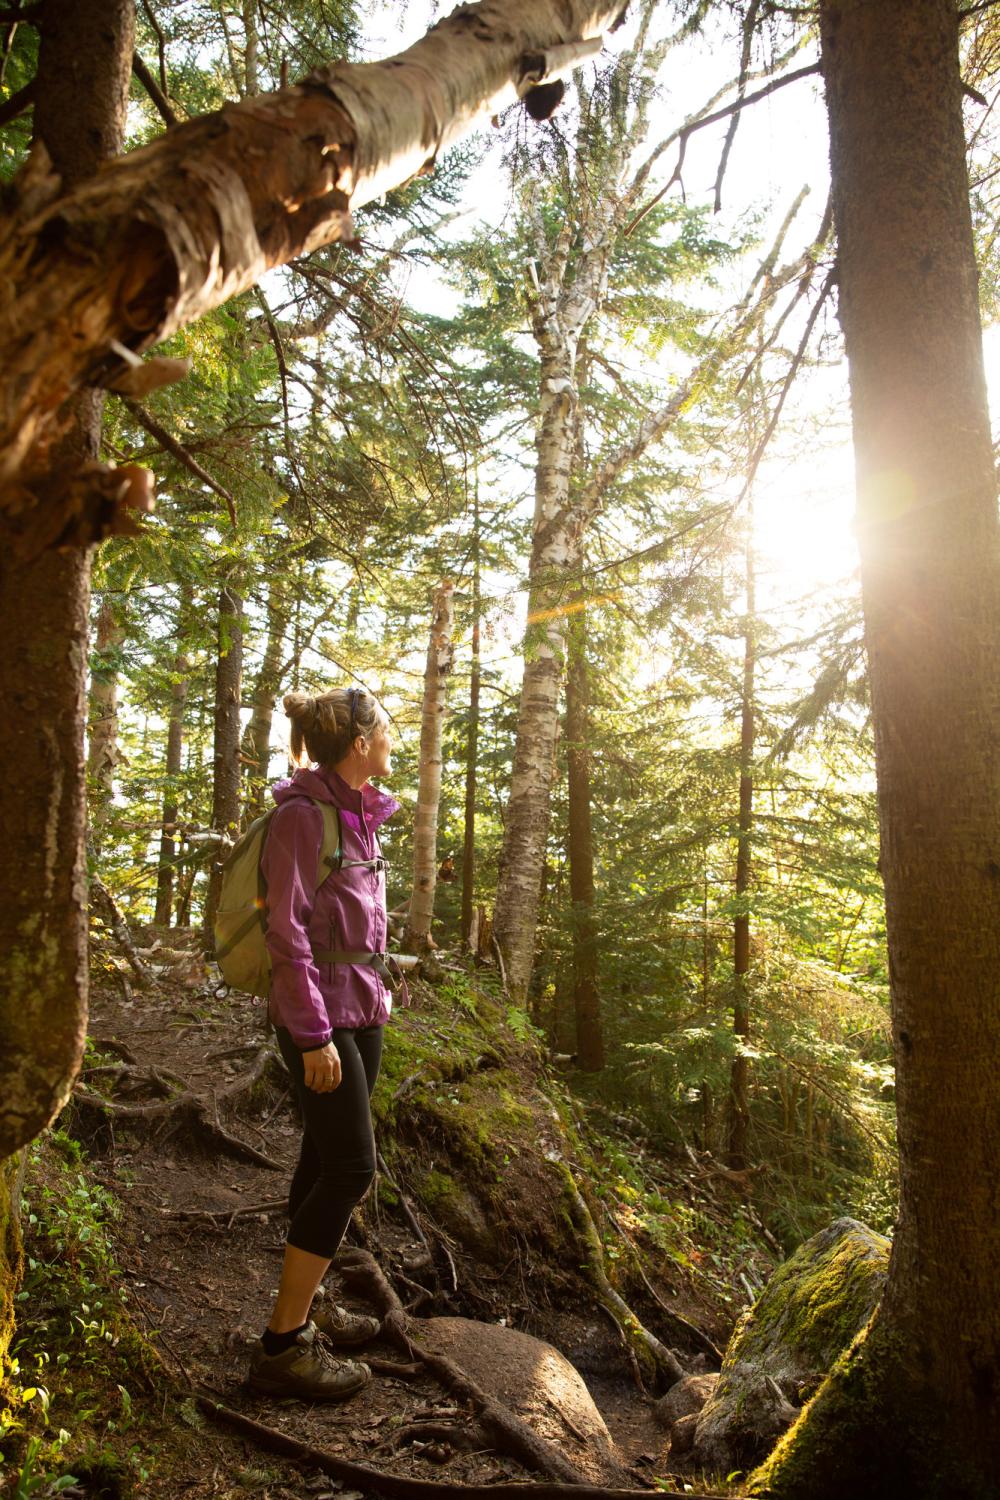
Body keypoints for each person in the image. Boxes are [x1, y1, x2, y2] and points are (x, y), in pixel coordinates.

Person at [248, 685, 402, 1402]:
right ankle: (282, 1346)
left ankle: (308, 1306)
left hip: (361, 1014)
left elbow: (357, 922)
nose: (394, 740)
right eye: (387, 731)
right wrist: (312, 1036)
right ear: (361, 742)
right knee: (351, 1168)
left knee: (320, 1158)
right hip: (319, 1019)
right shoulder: (301, 819)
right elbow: (286, 932)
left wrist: (377, 1001)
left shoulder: (360, 816)